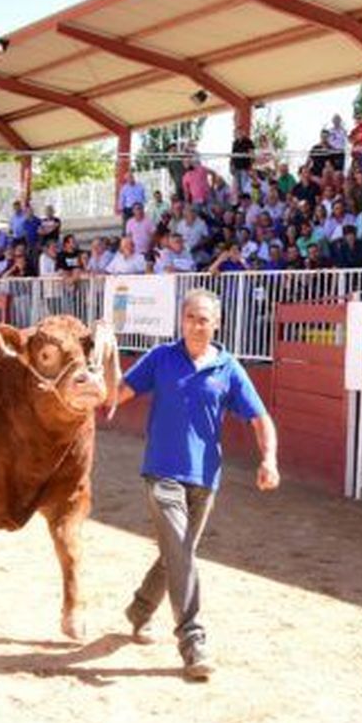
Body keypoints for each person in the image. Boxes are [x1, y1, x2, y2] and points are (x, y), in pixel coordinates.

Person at [114, 289, 279, 681]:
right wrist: (103, 363)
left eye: (204, 319)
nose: (196, 325)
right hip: (162, 473)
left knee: (176, 553)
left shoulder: (228, 368)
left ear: (216, 323)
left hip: (205, 477)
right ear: (181, 320)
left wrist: (269, 459)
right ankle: (192, 640)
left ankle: (140, 609)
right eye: (190, 318)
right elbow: (117, 393)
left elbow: (260, 418)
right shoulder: (161, 357)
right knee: (183, 552)